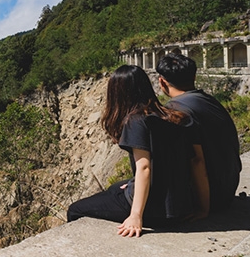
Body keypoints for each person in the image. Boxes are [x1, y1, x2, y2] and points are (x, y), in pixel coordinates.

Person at [67, 65, 195, 237]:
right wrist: (203, 207)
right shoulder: (171, 116)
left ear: (116, 93)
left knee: (75, 210)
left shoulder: (135, 121)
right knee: (114, 187)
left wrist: (135, 216)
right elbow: (191, 161)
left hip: (156, 212)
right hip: (179, 205)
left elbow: (144, 168)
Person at [156, 53, 241, 215]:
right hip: (227, 189)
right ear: (194, 76)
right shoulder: (210, 101)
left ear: (162, 82)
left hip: (210, 198)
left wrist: (203, 208)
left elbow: (196, 161)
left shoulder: (175, 110)